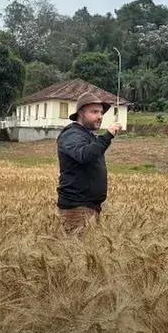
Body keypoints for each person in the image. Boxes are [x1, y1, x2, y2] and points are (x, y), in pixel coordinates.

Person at [56, 92, 122, 235]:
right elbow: (84, 155)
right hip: (77, 209)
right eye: (94, 112)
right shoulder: (71, 134)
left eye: (101, 112)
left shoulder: (87, 135)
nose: (100, 116)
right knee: (76, 253)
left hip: (90, 207)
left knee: (86, 251)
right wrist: (107, 136)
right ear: (81, 113)